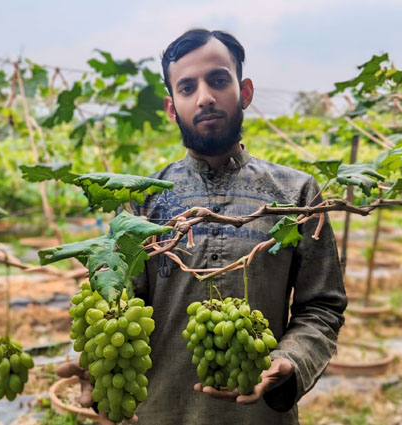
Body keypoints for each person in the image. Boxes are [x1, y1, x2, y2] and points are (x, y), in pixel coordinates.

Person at [57, 29, 347, 425]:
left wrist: (291, 360)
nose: (205, 96)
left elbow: (322, 305)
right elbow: (118, 305)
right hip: (160, 412)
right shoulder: (142, 202)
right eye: (187, 87)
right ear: (172, 107)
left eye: (219, 80)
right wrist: (97, 370)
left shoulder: (297, 194)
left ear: (244, 92)